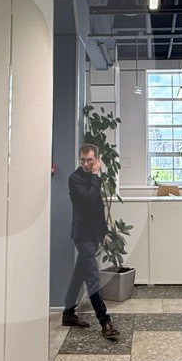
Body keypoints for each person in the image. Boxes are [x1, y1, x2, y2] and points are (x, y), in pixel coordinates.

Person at [63, 143, 121, 341]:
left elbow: (98, 206)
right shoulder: (75, 178)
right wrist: (96, 176)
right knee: (93, 278)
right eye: (83, 160)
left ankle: (68, 314)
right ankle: (105, 322)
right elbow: (88, 199)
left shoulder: (93, 179)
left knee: (78, 275)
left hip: (93, 234)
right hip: (82, 235)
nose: (86, 164)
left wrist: (103, 232)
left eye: (89, 160)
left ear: (97, 159)